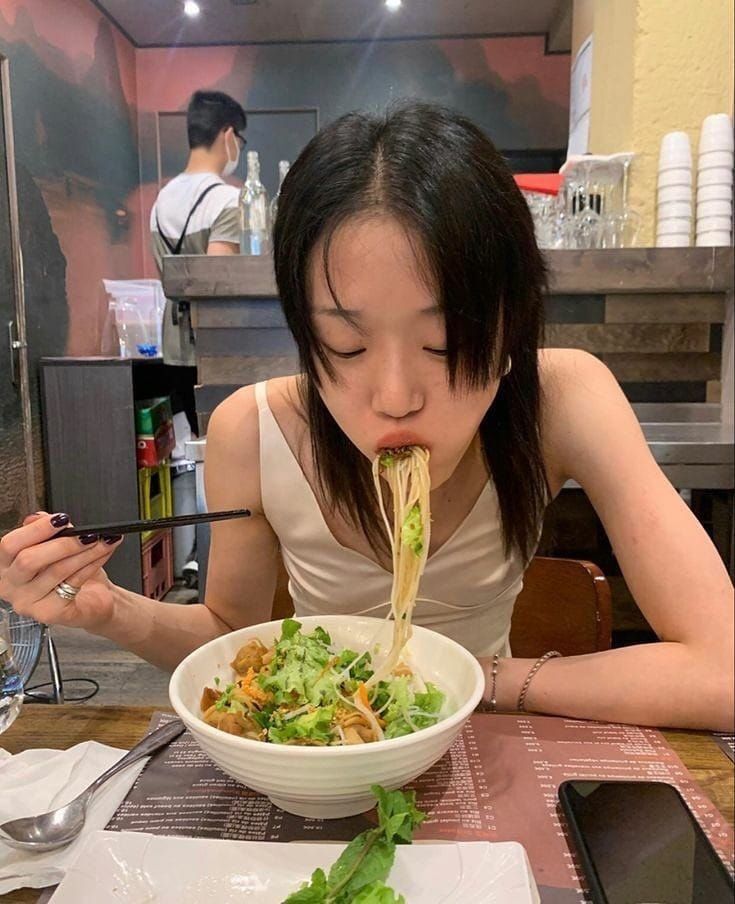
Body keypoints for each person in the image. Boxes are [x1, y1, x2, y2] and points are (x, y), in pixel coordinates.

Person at [2, 102, 732, 731]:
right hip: (321, 755)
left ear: (511, 328)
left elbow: (723, 670)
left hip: (489, 740)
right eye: (344, 344)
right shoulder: (252, 431)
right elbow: (229, 631)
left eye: (443, 343)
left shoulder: (562, 397)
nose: (393, 395)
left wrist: (475, 680)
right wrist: (106, 609)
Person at [151, 89, 247, 368]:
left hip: (172, 346)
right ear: (228, 135)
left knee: (181, 413)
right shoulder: (226, 200)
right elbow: (218, 284)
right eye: (240, 139)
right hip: (214, 346)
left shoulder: (160, 201)